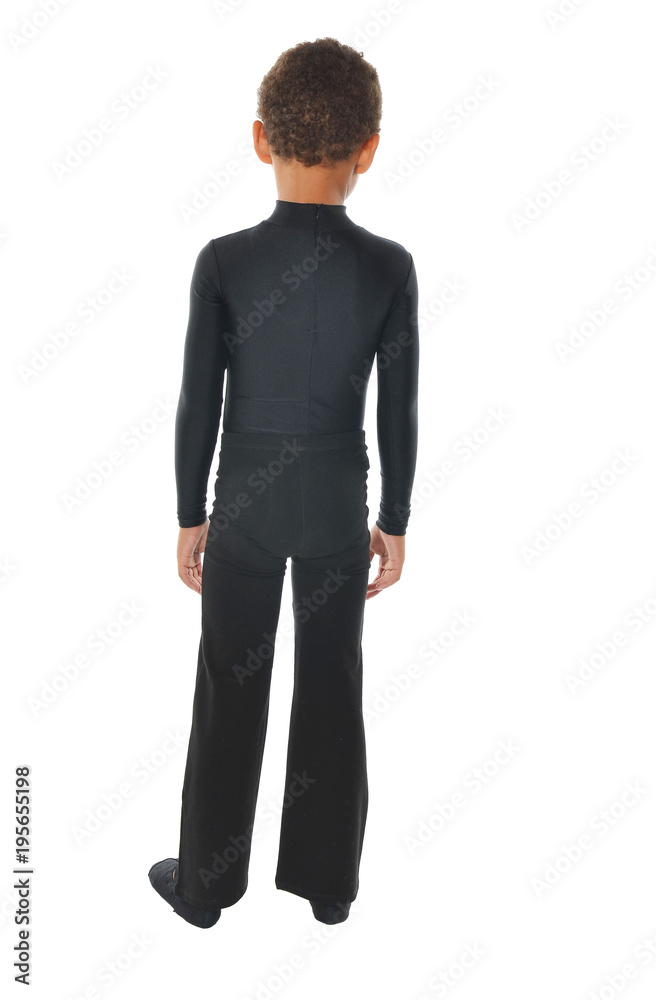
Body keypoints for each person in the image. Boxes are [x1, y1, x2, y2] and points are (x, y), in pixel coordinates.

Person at [149, 36, 419, 929]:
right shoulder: (390, 267)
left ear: (261, 138)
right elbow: (398, 409)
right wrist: (394, 519)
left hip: (246, 505)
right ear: (368, 150)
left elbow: (199, 402)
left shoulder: (223, 263)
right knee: (333, 681)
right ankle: (326, 883)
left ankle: (204, 887)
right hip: (339, 502)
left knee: (229, 685)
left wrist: (190, 512)